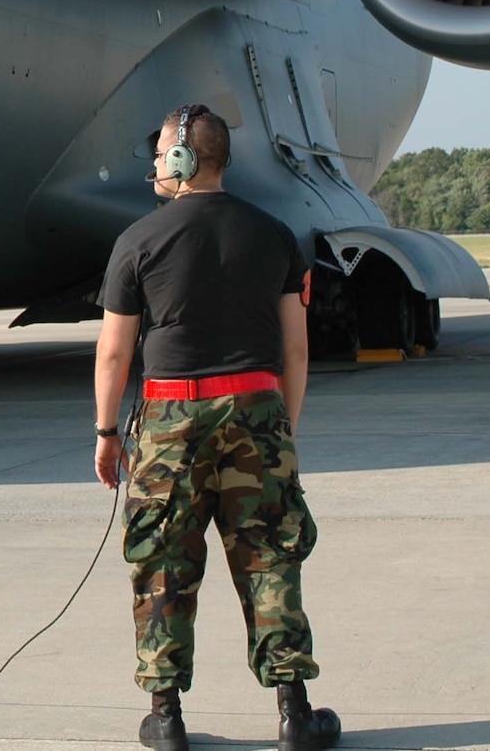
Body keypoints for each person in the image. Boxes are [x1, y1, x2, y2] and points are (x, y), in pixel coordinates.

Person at [91, 104, 342, 751]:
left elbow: (116, 354)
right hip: (257, 405)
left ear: (180, 160)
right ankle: (294, 714)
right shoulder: (276, 235)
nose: (152, 166)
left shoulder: (138, 242)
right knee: (270, 557)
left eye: (159, 156)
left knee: (162, 559)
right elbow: (296, 351)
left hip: (171, 415)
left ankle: (166, 716)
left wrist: (105, 432)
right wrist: (281, 426)